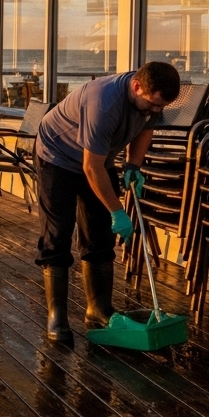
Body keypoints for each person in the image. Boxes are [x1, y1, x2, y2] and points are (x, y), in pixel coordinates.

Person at [33, 61, 180, 343]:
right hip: (57, 157)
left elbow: (146, 128)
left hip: (98, 159)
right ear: (137, 86)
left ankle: (98, 309)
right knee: (58, 233)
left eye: (161, 107)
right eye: (152, 105)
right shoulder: (104, 102)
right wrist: (118, 211)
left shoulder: (149, 102)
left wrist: (134, 165)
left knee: (99, 233)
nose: (155, 112)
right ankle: (57, 317)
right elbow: (91, 168)